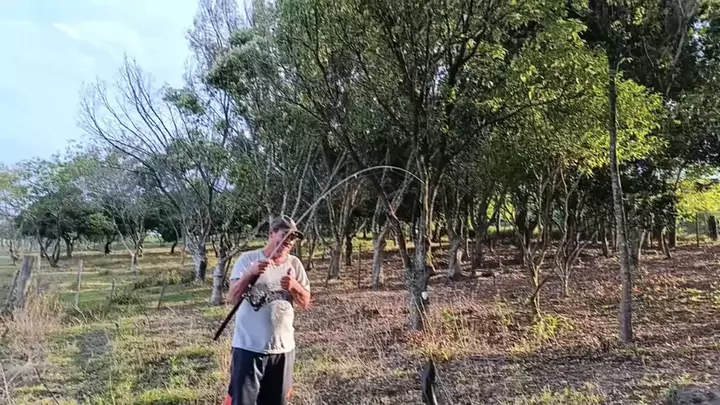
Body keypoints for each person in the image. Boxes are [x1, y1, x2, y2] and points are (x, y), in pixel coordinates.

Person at [226, 215, 311, 405]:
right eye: (284, 235)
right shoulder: (248, 259)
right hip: (248, 348)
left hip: (283, 349)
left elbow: (305, 302)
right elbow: (233, 296)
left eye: (292, 238)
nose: (288, 241)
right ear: (271, 233)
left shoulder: (295, 264)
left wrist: (294, 286)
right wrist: (250, 273)